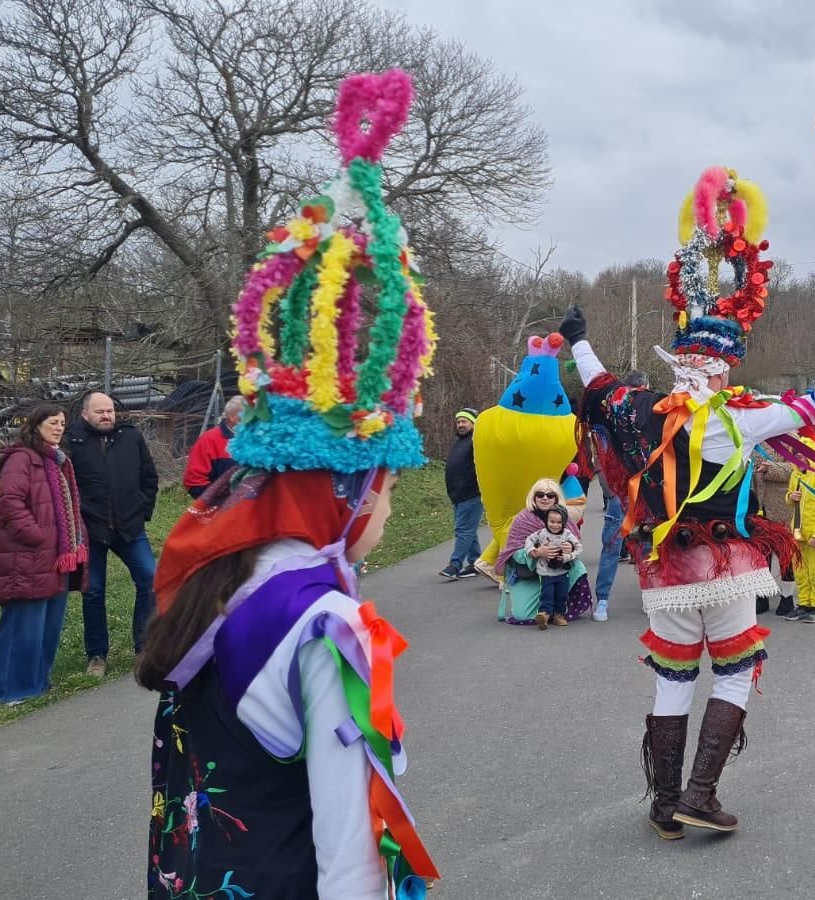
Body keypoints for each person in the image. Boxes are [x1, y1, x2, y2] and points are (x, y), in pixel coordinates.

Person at [136, 68, 438, 898]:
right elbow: (347, 847)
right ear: (345, 495)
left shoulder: (212, 574)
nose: (387, 506)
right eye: (385, 486)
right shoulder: (323, 620)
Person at [567, 162, 815, 839]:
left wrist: (578, 340)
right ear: (718, 368)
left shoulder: (638, 411)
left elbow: (597, 388)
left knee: (673, 680)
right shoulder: (735, 420)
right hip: (726, 567)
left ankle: (664, 805)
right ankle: (701, 792)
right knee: (738, 671)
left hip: (662, 571)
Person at [0, 404, 88, 705]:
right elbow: (10, 503)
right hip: (28, 556)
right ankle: (9, 692)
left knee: (48, 626)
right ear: (36, 425)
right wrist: (38, 535)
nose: (59, 428)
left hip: (57, 557)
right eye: (53, 422)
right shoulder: (21, 459)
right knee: (23, 625)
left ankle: (37, 684)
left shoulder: (58, 461)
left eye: (62, 423)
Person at [65, 389, 160, 677]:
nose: (106, 415)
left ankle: (144, 646)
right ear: (85, 414)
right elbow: (66, 486)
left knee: (151, 579)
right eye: (99, 411)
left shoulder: (131, 437)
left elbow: (149, 477)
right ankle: (97, 655)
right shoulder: (72, 441)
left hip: (130, 527)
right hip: (92, 529)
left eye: (109, 410)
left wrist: (143, 510)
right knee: (93, 592)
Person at [594, 370, 652, 621]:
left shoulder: (652, 417)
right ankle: (603, 600)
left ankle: (648, 597)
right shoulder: (611, 420)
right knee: (615, 544)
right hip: (624, 493)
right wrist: (611, 492)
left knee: (645, 544)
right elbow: (602, 458)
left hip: (646, 492)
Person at [495, 478, 593, 625]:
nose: (545, 498)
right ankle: (547, 609)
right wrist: (537, 552)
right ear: (534, 497)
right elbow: (513, 553)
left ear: (556, 498)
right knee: (523, 616)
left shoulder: (564, 517)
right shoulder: (523, 519)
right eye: (540, 494)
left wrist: (569, 548)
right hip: (529, 573)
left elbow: (575, 544)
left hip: (557, 571)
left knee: (578, 567)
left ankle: (559, 608)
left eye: (550, 495)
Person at [785, 437, 815, 623]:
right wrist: (791, 496)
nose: (799, 457)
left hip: (814, 534)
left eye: (803, 454)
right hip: (797, 531)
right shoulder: (795, 476)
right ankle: (803, 604)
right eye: (796, 454)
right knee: (800, 570)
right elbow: (789, 500)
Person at [753, 449, 797, 616]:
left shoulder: (789, 438)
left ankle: (787, 597)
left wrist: (770, 468)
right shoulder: (756, 437)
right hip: (758, 507)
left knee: (784, 553)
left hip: (781, 507)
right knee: (761, 554)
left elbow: (794, 468)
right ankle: (762, 596)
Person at [441, 408, 483, 580]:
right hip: (457, 495)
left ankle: (455, 565)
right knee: (468, 530)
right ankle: (475, 563)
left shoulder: (476, 441)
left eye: (464, 421)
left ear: (474, 423)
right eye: (459, 422)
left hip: (471, 493)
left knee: (463, 530)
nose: (461, 425)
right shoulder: (459, 441)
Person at [526, 505, 582, 629]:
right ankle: (544, 615)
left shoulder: (567, 534)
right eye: (552, 521)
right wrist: (534, 551)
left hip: (562, 572)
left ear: (564, 523)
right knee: (547, 594)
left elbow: (579, 548)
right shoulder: (541, 533)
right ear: (546, 521)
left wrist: (568, 556)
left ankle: (559, 615)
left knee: (562, 595)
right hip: (545, 572)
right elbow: (529, 540)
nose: (555, 525)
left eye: (559, 522)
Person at [182, 396, 243, 499]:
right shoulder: (209, 440)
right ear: (233, 417)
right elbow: (194, 481)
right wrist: (217, 502)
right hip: (221, 510)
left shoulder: (259, 440)